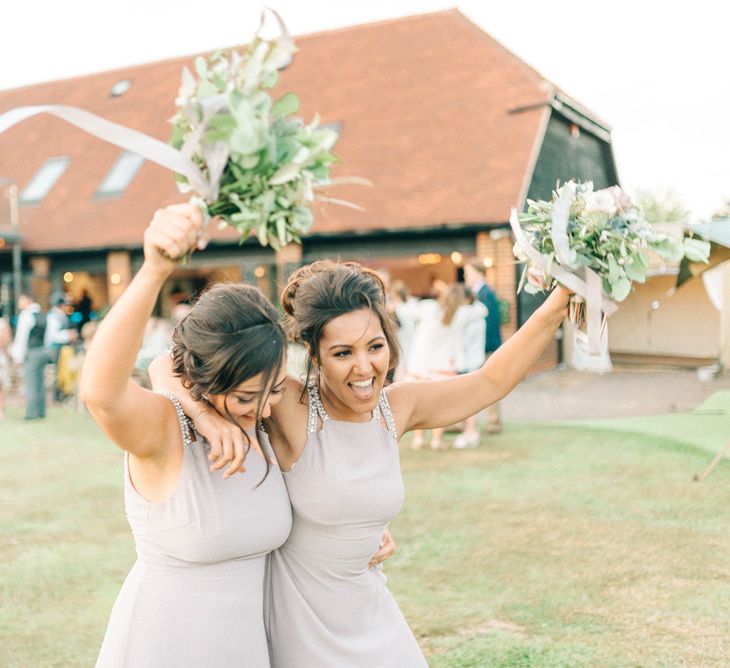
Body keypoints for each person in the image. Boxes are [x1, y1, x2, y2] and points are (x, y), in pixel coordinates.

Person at [152, 258, 570, 667]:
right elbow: (162, 365)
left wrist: (562, 298)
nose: (364, 367)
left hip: (372, 615)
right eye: (342, 353)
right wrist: (205, 417)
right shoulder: (289, 405)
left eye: (375, 346)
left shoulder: (397, 408)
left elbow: (490, 380)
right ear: (314, 356)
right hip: (302, 632)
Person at [80, 204, 294, 667]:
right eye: (246, 397)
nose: (266, 408)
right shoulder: (166, 434)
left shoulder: (267, 424)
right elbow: (102, 394)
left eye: (275, 389)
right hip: (165, 648)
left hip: (245, 650)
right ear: (205, 382)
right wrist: (154, 269)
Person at [463, 258, 504, 434]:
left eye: (468, 272)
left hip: (485, 348)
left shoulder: (486, 293)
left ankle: (494, 422)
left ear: (478, 273)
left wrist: (486, 347)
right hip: (475, 348)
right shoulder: (474, 292)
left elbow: (491, 322)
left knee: (489, 383)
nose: (465, 276)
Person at [453, 290, 488, 448]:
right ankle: (471, 431)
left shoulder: (464, 314)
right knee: (471, 399)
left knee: (468, 400)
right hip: (476, 360)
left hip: (466, 362)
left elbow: (460, 339)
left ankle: (470, 433)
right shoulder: (480, 311)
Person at [11, 294, 48, 420]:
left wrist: (18, 357)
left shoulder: (26, 315)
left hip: (31, 352)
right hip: (42, 351)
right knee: (40, 382)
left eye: (21, 300)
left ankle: (31, 413)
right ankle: (41, 411)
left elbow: (21, 338)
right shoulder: (42, 314)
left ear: (28, 300)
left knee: (31, 383)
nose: (19, 303)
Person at [46, 291, 78, 401]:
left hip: (64, 348)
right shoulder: (53, 317)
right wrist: (68, 335)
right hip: (56, 348)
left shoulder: (61, 315)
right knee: (58, 371)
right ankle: (58, 396)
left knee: (65, 370)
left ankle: (65, 392)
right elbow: (52, 336)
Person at [0, 305, 11, 419]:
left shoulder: (3, 322)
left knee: (0, 385)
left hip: (0, 357)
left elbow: (5, 341)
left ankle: (1, 411)